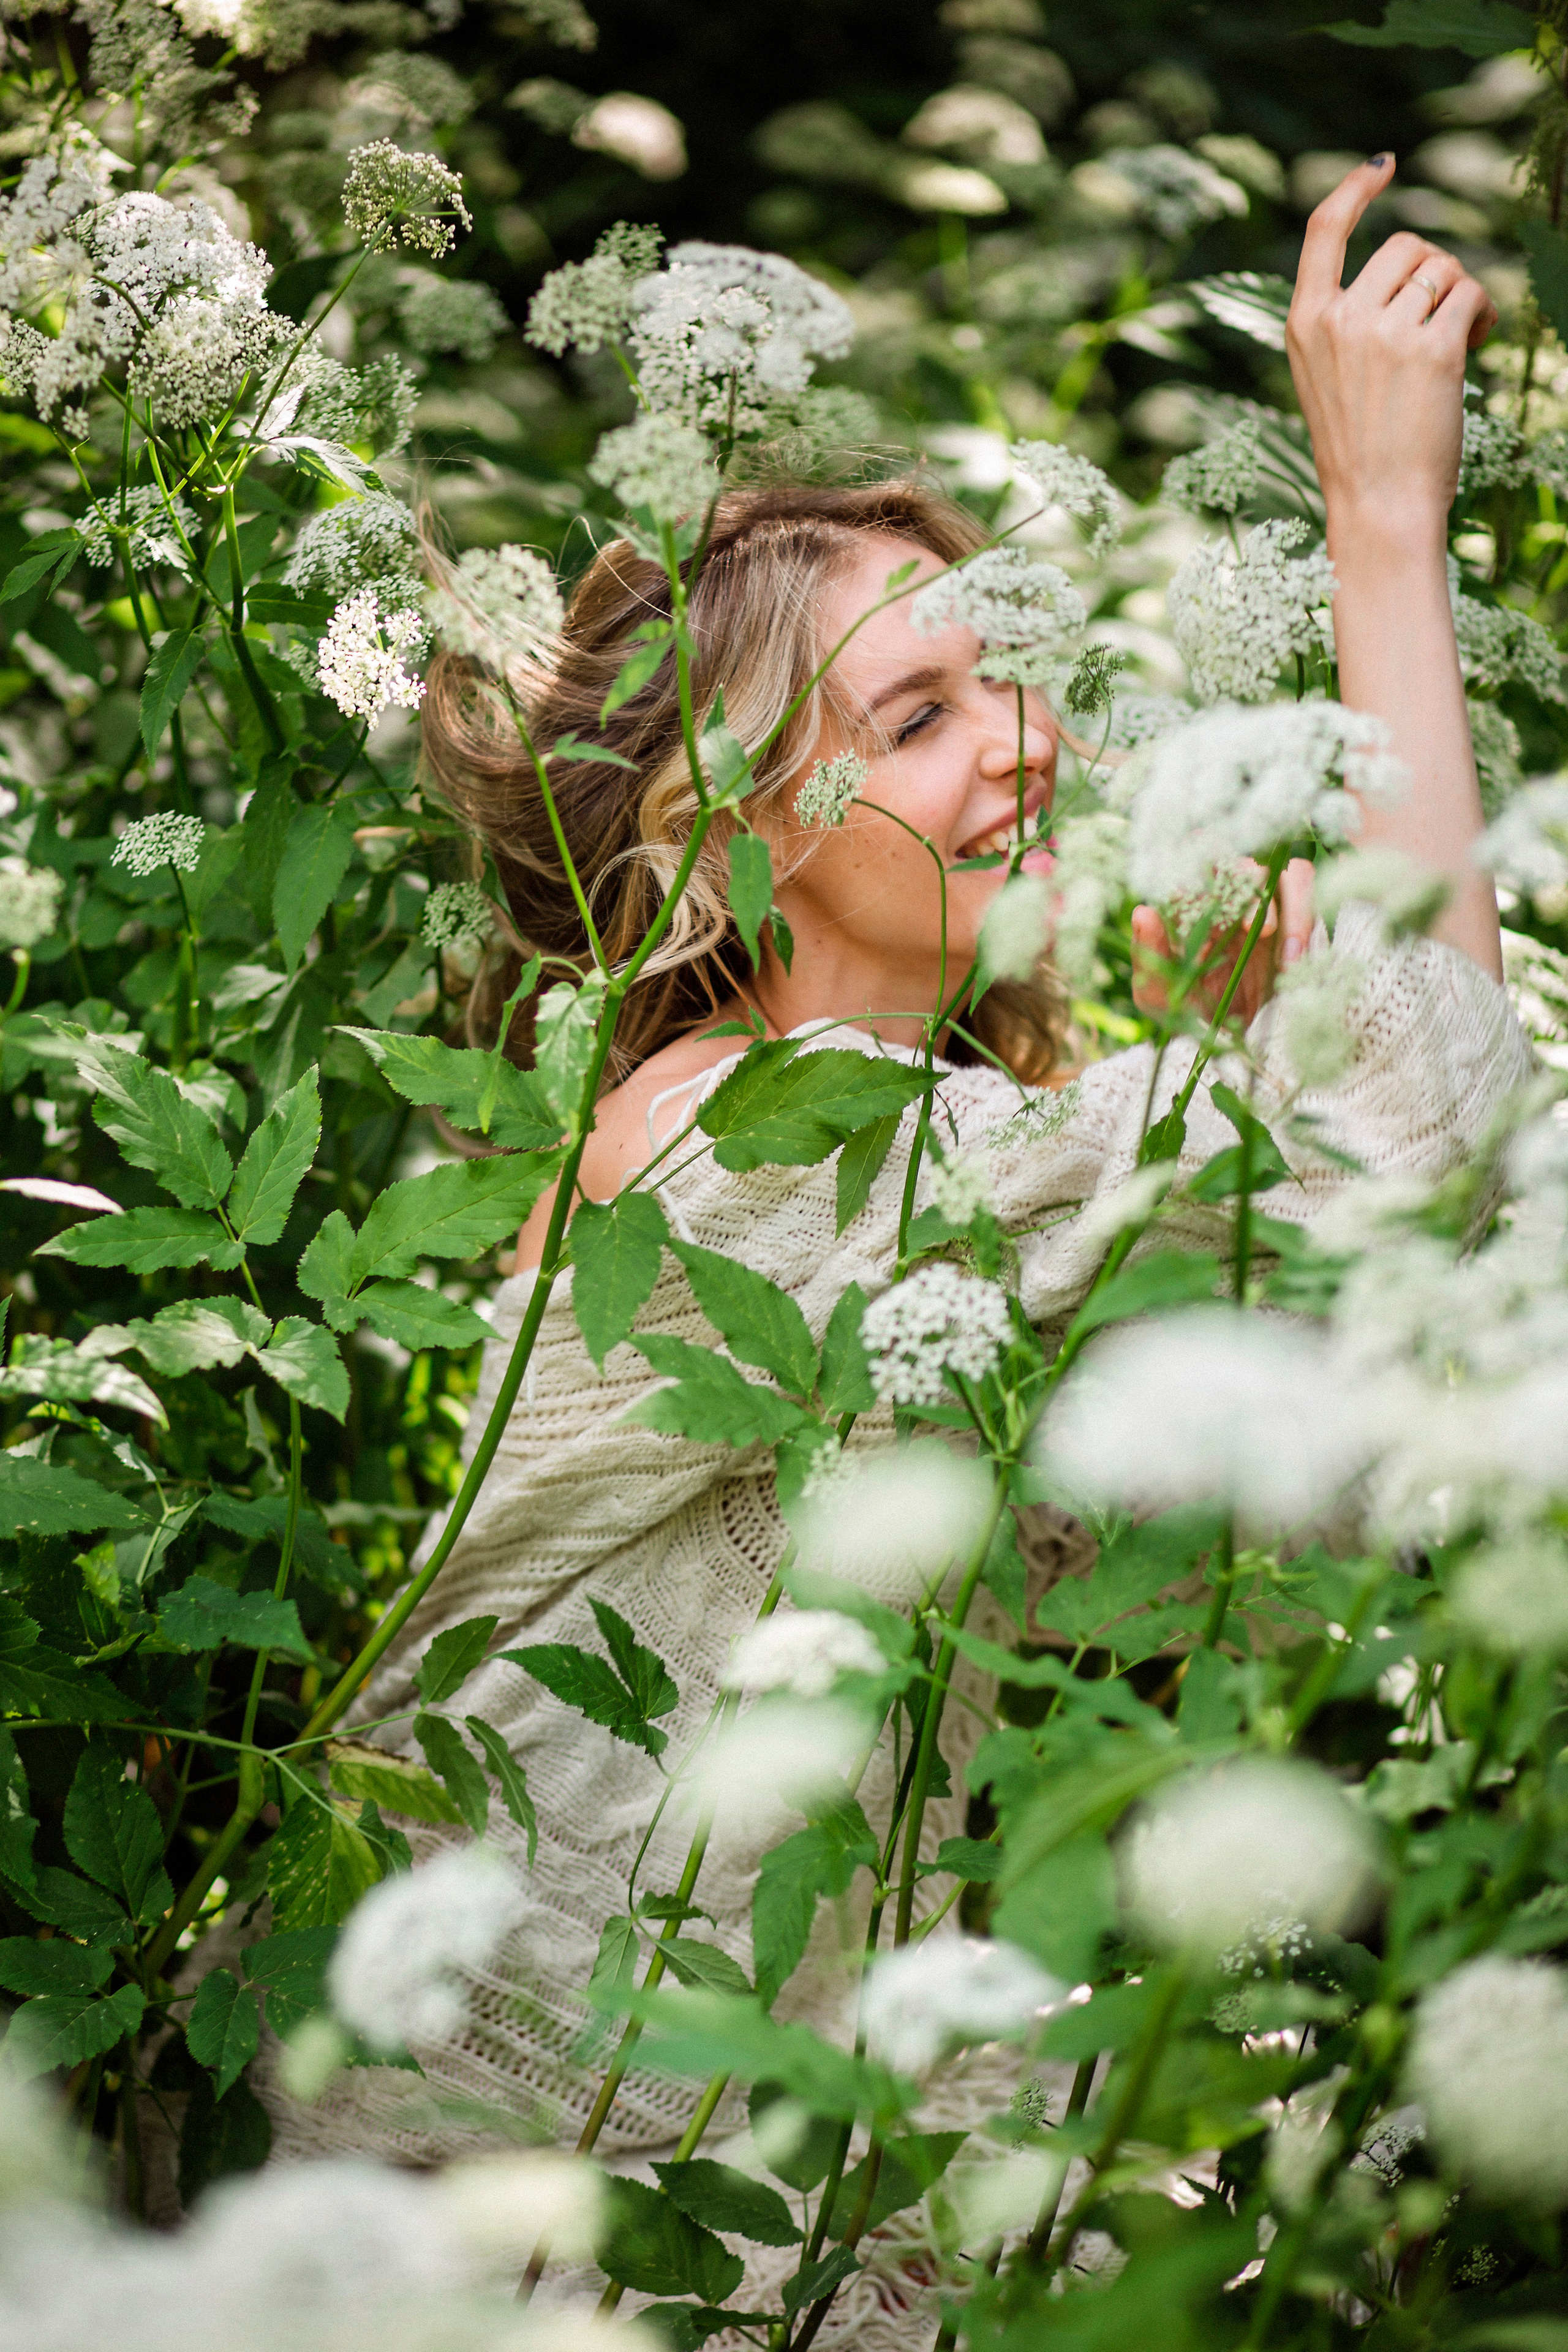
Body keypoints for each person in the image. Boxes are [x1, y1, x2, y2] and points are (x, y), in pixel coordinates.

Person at [251, 159, 1532, 2323]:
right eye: (914, 720)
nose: (1021, 746)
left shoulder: (950, 1158)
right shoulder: (733, 1142)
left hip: (797, 2161)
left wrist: (1248, 1125)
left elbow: (1311, 1469)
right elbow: (1446, 1120)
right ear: (720, 839)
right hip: (534, 2213)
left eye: (1006, 680)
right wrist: (1382, 524)